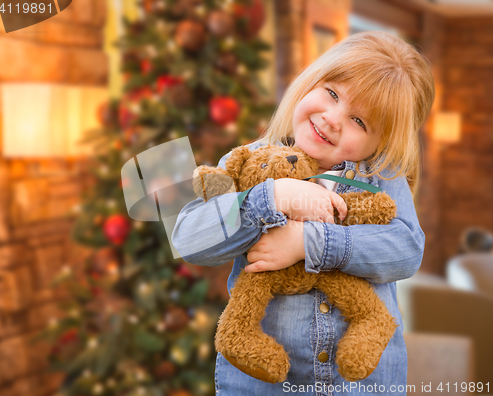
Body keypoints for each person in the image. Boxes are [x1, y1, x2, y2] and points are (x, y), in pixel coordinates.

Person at [172, 31, 435, 395]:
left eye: (360, 121)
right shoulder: (248, 162)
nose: (332, 119)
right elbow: (190, 239)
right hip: (264, 387)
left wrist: (311, 242)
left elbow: (406, 249)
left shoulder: (380, 177)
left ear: (381, 144)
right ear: (309, 82)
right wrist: (272, 196)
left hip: (362, 385)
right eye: (332, 93)